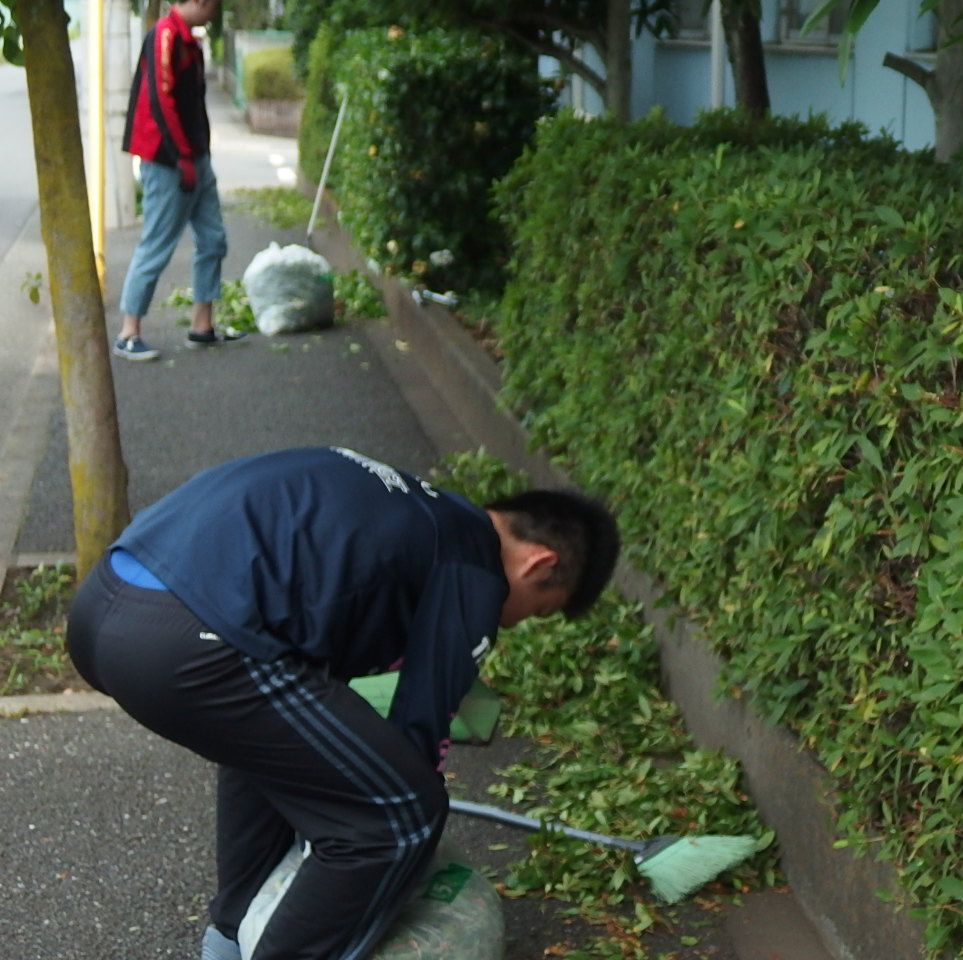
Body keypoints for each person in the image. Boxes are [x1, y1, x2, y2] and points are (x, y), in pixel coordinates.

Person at [65, 446, 620, 960]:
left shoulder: (411, 511)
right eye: (540, 611)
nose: (515, 621)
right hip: (187, 644)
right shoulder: (475, 567)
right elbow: (420, 734)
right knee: (401, 813)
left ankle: (229, 940)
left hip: (103, 608)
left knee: (282, 750)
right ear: (540, 565)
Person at [115, 0, 243, 361]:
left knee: (213, 240)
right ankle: (128, 333)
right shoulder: (165, 35)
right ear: (200, 2)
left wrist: (198, 154)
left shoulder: (189, 39)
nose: (215, 12)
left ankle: (202, 327)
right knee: (156, 245)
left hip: (196, 158)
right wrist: (183, 156)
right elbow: (160, 101)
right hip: (169, 160)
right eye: (213, 5)